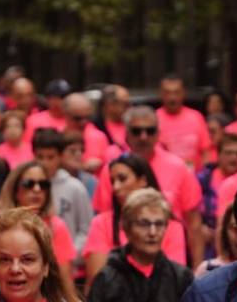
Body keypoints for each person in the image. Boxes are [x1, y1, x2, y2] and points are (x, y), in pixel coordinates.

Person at [92, 105, 205, 266]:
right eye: (137, 131)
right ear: (126, 135)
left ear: (158, 134)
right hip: (119, 262)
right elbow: (105, 220)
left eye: (150, 131)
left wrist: (197, 269)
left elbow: (194, 223)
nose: (143, 137)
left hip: (169, 256)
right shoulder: (111, 170)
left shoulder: (178, 167)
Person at [83, 155, 189, 288]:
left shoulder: (173, 226)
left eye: (122, 179)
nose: (115, 187)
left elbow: (174, 279)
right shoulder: (101, 224)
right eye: (113, 181)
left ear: (143, 181)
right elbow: (98, 280)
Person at [0, 161, 76, 273]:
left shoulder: (56, 225)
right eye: (29, 184)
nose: (37, 189)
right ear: (15, 189)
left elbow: (64, 278)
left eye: (43, 184)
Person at [31, 129, 91, 259]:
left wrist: (70, 254)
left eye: (50, 157)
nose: (45, 163)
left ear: (60, 157)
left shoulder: (75, 188)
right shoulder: (27, 186)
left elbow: (86, 229)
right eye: (40, 157)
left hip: (66, 260)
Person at [154, 75, 211, 167]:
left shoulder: (196, 117)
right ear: (161, 94)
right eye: (168, 93)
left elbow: (206, 151)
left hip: (195, 174)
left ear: (183, 93)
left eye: (176, 92)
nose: (172, 97)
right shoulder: (154, 119)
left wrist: (205, 173)